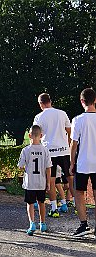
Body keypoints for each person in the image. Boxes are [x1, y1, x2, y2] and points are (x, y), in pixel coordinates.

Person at [33, 93, 73, 217]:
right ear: (50, 101)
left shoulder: (39, 117)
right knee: (70, 179)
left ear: (40, 104)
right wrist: (67, 144)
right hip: (64, 150)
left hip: (49, 151)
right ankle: (77, 205)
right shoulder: (62, 113)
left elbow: (36, 135)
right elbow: (70, 131)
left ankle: (54, 208)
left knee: (51, 181)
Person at [70, 88, 96, 236]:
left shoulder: (78, 120)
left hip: (83, 163)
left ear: (82, 101)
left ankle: (83, 224)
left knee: (79, 193)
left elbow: (74, 145)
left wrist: (71, 163)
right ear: (95, 100)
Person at [18, 125, 51, 235]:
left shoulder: (25, 150)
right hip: (41, 182)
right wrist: (49, 183)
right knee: (41, 203)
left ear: (29, 135)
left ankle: (32, 223)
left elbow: (21, 165)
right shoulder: (45, 150)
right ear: (41, 136)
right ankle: (43, 223)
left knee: (30, 203)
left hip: (30, 182)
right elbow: (48, 168)